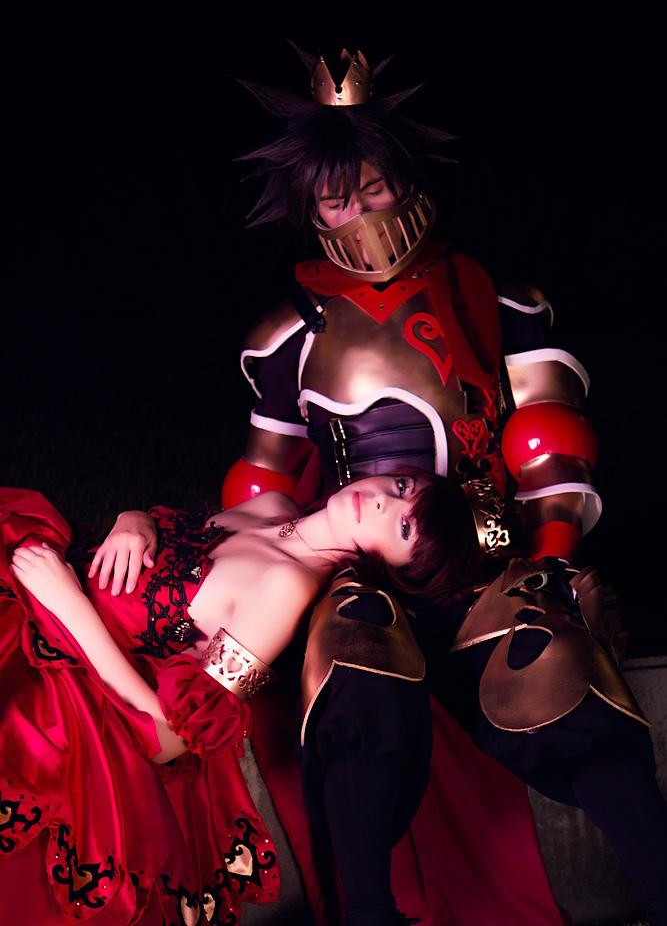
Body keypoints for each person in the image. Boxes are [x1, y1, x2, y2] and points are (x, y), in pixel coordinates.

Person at [222, 46, 667, 926]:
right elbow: (264, 473)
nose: (360, 212)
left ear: (407, 178)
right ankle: (369, 916)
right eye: (336, 199)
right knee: (354, 668)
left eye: (373, 187)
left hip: (487, 546)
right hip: (361, 561)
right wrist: (248, 573)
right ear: (309, 210)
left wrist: (551, 556)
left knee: (553, 671)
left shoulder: (493, 301)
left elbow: (550, 439)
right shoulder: (289, 334)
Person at [1, 474, 466, 926]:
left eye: (403, 527)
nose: (384, 500)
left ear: (393, 569)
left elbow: (170, 740)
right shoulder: (275, 506)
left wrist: (68, 603)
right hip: (40, 583)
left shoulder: (288, 587)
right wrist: (134, 520)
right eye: (403, 487)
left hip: (70, 669)